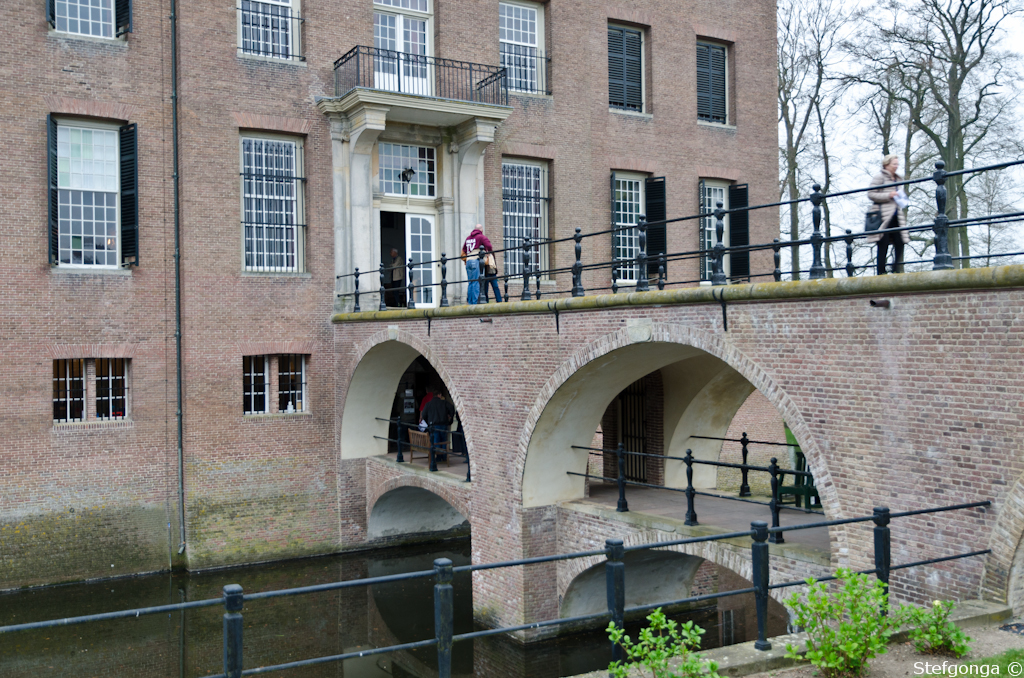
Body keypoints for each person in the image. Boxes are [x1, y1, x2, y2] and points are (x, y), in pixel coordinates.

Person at [866, 154, 909, 275]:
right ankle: (881, 272)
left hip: (895, 214)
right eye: (894, 164)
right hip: (883, 215)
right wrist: (888, 195)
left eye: (897, 164)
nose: (896, 166)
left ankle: (895, 269)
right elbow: (871, 194)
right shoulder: (879, 177)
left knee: (900, 241)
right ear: (886, 164)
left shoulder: (898, 179)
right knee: (882, 243)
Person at [462, 226, 493, 305]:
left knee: (470, 282)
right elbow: (489, 246)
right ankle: (475, 303)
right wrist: (488, 253)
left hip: (468, 261)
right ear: (481, 229)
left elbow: (464, 250)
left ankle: (470, 302)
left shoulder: (468, 238)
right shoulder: (481, 237)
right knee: (476, 282)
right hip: (475, 260)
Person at [421, 390, 455, 461]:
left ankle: (438, 457)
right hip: (443, 424)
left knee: (436, 441)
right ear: (439, 395)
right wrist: (450, 416)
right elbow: (452, 408)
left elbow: (423, 415)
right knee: (444, 440)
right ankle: (444, 456)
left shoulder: (428, 404)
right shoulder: (444, 403)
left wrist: (429, 421)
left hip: (433, 425)